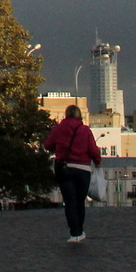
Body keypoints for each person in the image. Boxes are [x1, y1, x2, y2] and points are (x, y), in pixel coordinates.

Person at [42, 104, 102, 244]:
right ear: (79, 116)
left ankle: (74, 232)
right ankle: (79, 230)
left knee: (70, 202)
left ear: (66, 115)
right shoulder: (85, 130)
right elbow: (93, 150)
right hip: (83, 170)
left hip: (64, 168)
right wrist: (98, 163)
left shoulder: (58, 129)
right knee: (80, 202)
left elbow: (47, 145)